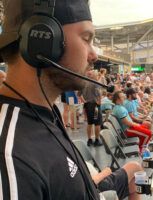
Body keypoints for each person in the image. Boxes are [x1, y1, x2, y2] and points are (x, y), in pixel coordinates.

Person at [0, 0, 103, 199]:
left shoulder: (46, 113)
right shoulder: (9, 157)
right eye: (86, 38)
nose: (94, 55)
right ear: (43, 39)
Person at [79, 70, 103, 146]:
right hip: (95, 106)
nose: (97, 77)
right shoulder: (95, 83)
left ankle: (89, 140)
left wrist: (84, 102)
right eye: (96, 75)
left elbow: (79, 95)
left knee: (89, 123)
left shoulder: (83, 83)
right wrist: (99, 102)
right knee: (97, 123)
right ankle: (96, 140)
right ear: (92, 76)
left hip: (87, 105)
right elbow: (99, 95)